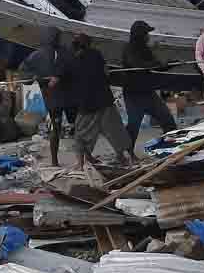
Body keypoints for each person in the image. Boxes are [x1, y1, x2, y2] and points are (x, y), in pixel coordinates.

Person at [59, 33, 135, 170]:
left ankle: (81, 164)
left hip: (86, 103)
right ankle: (126, 157)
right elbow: (106, 73)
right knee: (116, 131)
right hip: (104, 99)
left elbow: (61, 80)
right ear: (88, 44)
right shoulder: (96, 54)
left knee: (81, 134)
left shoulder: (68, 60)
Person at [19, 28, 77, 166]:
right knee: (76, 126)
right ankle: (82, 158)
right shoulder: (65, 52)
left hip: (53, 98)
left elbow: (24, 76)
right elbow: (74, 69)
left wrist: (36, 79)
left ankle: (55, 161)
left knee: (56, 129)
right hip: (67, 97)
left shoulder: (35, 55)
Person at [120, 20, 178, 150]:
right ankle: (127, 154)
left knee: (168, 120)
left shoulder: (145, 49)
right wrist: (158, 65)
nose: (148, 36)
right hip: (134, 95)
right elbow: (137, 65)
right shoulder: (129, 49)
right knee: (133, 126)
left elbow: (155, 66)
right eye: (146, 33)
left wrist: (168, 65)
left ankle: (169, 148)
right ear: (139, 35)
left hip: (148, 92)